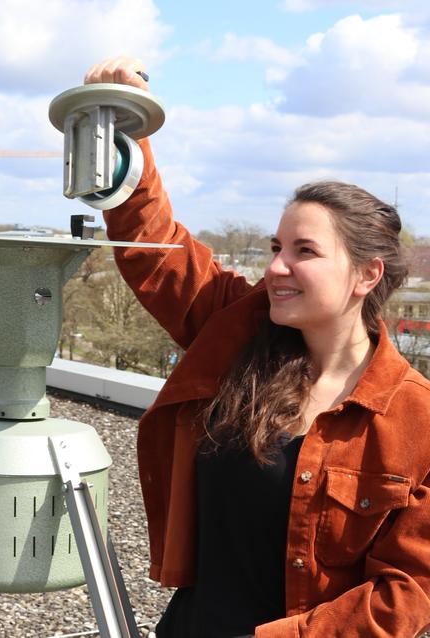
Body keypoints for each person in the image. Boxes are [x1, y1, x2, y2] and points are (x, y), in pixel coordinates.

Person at [84, 57, 430, 637]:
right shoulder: (234, 330)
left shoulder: (414, 418)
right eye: (276, 246)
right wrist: (125, 128)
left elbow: (408, 590)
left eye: (305, 251)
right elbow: (153, 243)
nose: (275, 268)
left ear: (367, 275)